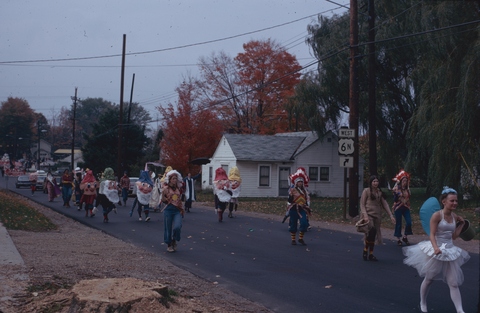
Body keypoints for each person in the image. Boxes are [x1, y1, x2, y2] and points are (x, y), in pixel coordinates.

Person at [403, 187, 470, 313]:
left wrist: (461, 225)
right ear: (444, 201)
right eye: (452, 201)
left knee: (453, 283)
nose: (455, 203)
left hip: (450, 250)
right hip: (437, 248)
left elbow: (453, 236)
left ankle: (460, 310)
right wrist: (435, 248)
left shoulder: (454, 216)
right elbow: (432, 234)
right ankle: (423, 302)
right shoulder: (437, 215)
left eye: (456, 201)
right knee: (429, 279)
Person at [359, 175, 396, 261]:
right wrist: (365, 215)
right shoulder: (366, 191)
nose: (375, 183)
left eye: (377, 181)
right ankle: (365, 251)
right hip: (368, 215)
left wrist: (391, 215)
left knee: (374, 234)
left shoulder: (379, 193)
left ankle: (371, 254)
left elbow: (385, 204)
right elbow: (362, 204)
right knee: (371, 232)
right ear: (371, 182)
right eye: (374, 181)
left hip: (377, 216)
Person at [161, 169, 184, 252]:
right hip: (168, 210)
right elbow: (163, 199)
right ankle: (169, 244)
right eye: (173, 179)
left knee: (178, 226)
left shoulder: (178, 189)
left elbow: (180, 200)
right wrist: (167, 199)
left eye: (176, 179)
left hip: (177, 210)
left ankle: (174, 239)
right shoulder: (166, 189)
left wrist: (181, 210)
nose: (175, 180)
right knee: (168, 228)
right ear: (170, 179)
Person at [287, 167, 311, 245]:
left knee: (304, 223)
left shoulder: (305, 191)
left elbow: (307, 200)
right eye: (298, 182)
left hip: (302, 209)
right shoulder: (292, 190)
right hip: (294, 209)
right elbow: (289, 201)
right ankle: (293, 240)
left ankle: (300, 238)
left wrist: (307, 206)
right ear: (296, 183)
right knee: (293, 224)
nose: (300, 183)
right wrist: (290, 196)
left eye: (301, 182)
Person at [391, 170, 413, 246]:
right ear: (401, 181)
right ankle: (398, 238)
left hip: (406, 207)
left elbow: (408, 198)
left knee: (409, 222)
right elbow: (395, 199)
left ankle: (405, 236)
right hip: (398, 207)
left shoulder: (407, 190)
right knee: (399, 223)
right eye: (403, 180)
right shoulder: (397, 188)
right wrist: (396, 194)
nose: (405, 182)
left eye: (406, 181)